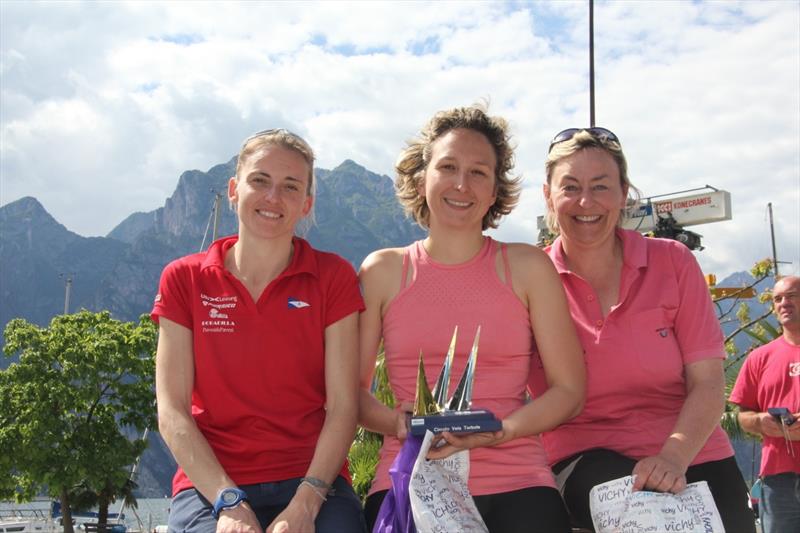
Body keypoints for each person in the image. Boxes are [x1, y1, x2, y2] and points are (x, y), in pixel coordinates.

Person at [358, 105, 586, 533]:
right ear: (421, 176)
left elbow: (569, 390)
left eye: (479, 172)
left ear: (496, 188)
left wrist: (502, 431)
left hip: (516, 480)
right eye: (447, 166)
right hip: (410, 480)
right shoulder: (383, 271)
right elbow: (352, 395)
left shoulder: (528, 267)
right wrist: (396, 423)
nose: (462, 184)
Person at [530, 127, 756, 532]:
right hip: (584, 452)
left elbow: (706, 382)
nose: (586, 202)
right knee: (642, 519)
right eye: (571, 187)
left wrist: (673, 457)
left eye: (601, 186)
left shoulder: (673, 262)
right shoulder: (530, 279)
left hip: (690, 448)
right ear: (548, 195)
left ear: (624, 193)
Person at [152, 129, 366, 533]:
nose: (273, 198)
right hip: (211, 484)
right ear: (234, 189)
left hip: (315, 481)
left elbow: (343, 407)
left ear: (306, 204)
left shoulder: (332, 276)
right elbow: (172, 410)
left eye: (290, 187)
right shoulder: (184, 279)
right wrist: (228, 502)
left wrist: (306, 503)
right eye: (260, 181)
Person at [730, 275, 800, 533]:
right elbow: (742, 416)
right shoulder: (759, 357)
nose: (784, 304)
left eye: (791, 296)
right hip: (776, 481)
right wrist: (761, 422)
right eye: (777, 299)